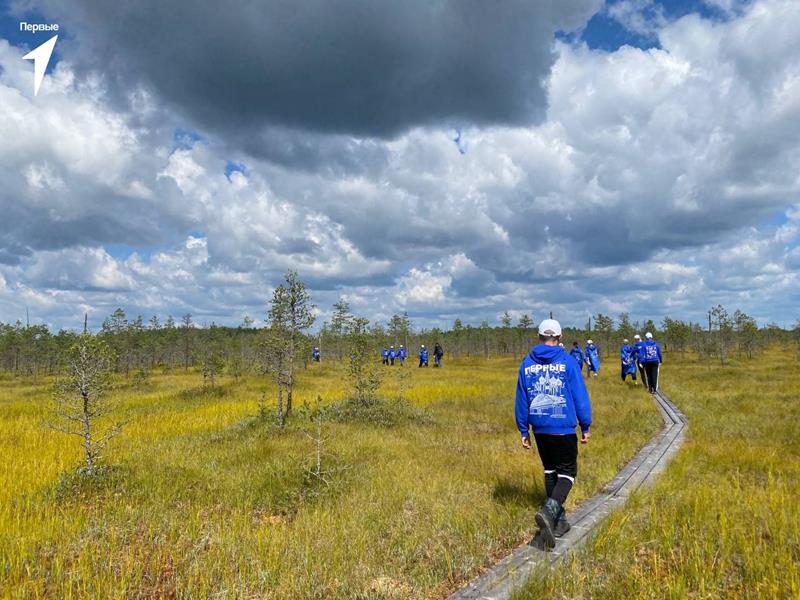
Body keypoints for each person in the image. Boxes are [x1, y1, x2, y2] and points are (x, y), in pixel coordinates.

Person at [515, 319, 592, 549]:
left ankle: (559, 522)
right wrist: (585, 425)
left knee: (550, 470)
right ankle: (549, 512)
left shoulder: (526, 364)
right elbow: (580, 395)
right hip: (563, 427)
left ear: (539, 336)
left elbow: (521, 399)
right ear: (559, 338)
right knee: (567, 473)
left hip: (539, 428)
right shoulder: (568, 362)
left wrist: (523, 429)